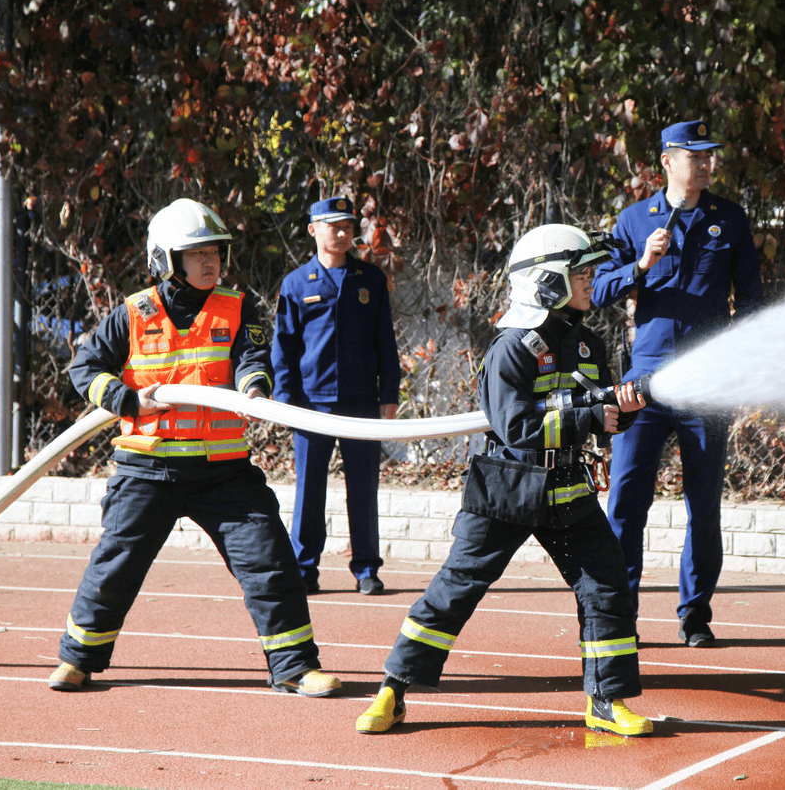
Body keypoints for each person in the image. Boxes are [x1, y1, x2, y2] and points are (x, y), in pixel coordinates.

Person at [357, 224, 654, 738]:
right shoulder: (510, 348)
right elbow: (515, 427)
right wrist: (588, 416)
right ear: (546, 282)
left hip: (568, 491)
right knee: (455, 589)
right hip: (507, 489)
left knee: (607, 587)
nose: (591, 280)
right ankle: (393, 689)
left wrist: (620, 411)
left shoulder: (586, 342)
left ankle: (605, 701)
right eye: (580, 273)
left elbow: (595, 411)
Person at [47, 198, 341, 698]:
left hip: (224, 472)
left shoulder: (238, 306)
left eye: (216, 252)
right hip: (147, 469)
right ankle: (78, 660)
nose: (211, 262)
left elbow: (251, 356)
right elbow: (84, 369)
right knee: (114, 568)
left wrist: (253, 389)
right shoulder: (134, 312)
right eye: (197, 253)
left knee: (271, 563)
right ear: (166, 259)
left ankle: (293, 666)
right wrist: (125, 399)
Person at [591, 120, 765, 647]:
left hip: (705, 387)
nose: (706, 164)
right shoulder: (633, 219)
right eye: (695, 155)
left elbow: (752, 300)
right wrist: (641, 264)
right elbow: (596, 289)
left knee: (704, 503)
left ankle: (695, 615)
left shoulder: (730, 219)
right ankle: (621, 614)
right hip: (642, 387)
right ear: (667, 161)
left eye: (711, 155)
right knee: (625, 502)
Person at [271, 197, 401, 596]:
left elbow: (386, 342)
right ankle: (304, 568)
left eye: (348, 227)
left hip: (361, 403)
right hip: (313, 404)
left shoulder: (371, 279)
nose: (344, 234)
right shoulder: (296, 284)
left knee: (363, 488)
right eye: (335, 227)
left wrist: (389, 394)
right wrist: (284, 398)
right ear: (314, 230)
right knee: (310, 489)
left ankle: (366, 568)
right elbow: (284, 347)